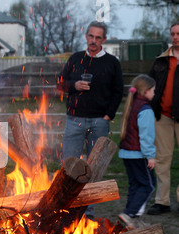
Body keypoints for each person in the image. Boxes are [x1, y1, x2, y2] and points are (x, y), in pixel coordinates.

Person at [57, 21, 124, 218]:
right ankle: (63, 208)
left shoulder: (112, 63)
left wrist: (108, 116)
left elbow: (118, 91)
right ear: (86, 36)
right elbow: (61, 84)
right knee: (68, 165)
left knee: (93, 168)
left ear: (104, 39)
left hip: (99, 122)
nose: (93, 41)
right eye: (91, 36)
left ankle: (87, 212)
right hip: (74, 120)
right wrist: (74, 84)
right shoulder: (76, 59)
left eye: (98, 38)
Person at [147, 22, 179, 215]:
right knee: (162, 160)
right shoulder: (161, 61)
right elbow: (149, 86)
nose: (175, 37)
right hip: (163, 117)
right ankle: (163, 201)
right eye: (173, 34)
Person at [118, 75, 157, 230]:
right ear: (146, 91)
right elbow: (146, 136)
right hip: (138, 154)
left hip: (127, 153)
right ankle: (129, 213)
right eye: (154, 90)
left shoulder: (132, 104)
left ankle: (132, 219)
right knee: (148, 185)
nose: (155, 93)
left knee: (135, 185)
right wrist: (150, 156)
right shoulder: (145, 109)